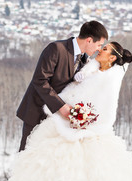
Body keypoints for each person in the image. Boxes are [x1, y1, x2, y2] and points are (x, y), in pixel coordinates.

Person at [0, 42, 132, 181]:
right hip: (66, 120)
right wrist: (69, 111)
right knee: (51, 162)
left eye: (105, 49)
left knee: (68, 164)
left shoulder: (109, 79)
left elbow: (106, 110)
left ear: (113, 57)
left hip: (82, 128)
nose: (100, 50)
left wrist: (83, 120)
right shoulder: (89, 69)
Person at [17, 21, 108, 152]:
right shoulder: (56, 48)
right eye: (99, 45)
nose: (99, 49)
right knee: (27, 156)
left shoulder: (84, 60)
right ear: (89, 40)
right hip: (37, 113)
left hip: (58, 122)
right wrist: (61, 106)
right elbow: (40, 80)